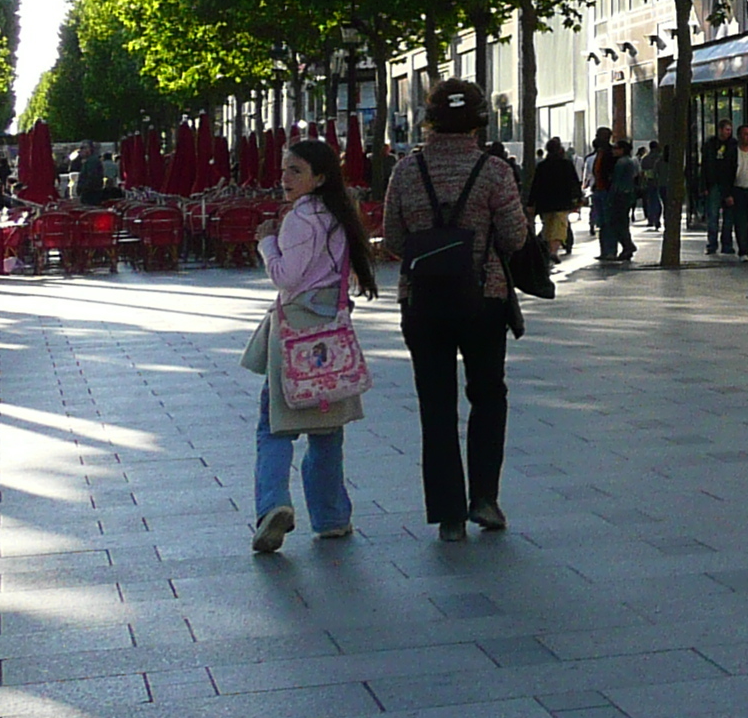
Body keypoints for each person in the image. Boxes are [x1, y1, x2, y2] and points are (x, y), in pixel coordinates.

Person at [378, 76, 531, 541]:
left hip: (422, 302)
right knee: (488, 396)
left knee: (436, 406)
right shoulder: (494, 171)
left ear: (430, 121)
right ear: (477, 122)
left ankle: (447, 515)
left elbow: (395, 239)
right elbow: (515, 237)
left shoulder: (407, 170)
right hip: (483, 298)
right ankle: (484, 498)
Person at [245, 137, 373, 552]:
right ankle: (332, 515)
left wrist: (266, 242)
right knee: (327, 427)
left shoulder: (300, 220)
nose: (285, 177)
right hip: (331, 329)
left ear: (319, 177)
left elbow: (286, 277)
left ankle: (273, 505)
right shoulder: (338, 215)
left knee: (275, 425)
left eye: (295, 170)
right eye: (284, 168)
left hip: (297, 329)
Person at [593, 131, 640, 263]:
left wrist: (610, 199)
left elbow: (616, 182)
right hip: (624, 195)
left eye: (617, 148)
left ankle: (627, 246)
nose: (614, 150)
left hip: (619, 197)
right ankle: (626, 246)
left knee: (617, 223)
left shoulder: (621, 163)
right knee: (620, 223)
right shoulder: (627, 162)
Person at [718, 122, 748, 256]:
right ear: (739, 136)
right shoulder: (732, 153)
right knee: (740, 222)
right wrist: (727, 194)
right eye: (745, 135)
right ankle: (743, 249)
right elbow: (725, 175)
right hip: (738, 191)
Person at [530, 137, 583, 253]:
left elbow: (535, 185)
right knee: (559, 228)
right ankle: (553, 251)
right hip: (562, 201)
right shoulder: (566, 165)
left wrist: (531, 203)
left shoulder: (542, 166)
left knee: (547, 227)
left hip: (545, 202)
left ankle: (549, 249)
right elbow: (574, 182)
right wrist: (579, 198)